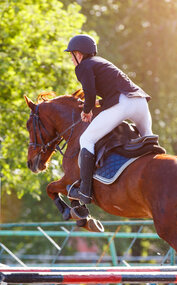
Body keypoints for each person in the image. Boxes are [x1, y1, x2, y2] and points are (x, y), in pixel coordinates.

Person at [64, 34, 155, 204]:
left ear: (79, 54)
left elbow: (89, 93)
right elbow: (114, 89)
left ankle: (84, 191)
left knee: (87, 139)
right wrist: (100, 102)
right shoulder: (102, 62)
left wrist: (87, 110)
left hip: (123, 104)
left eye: (72, 55)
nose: (71, 59)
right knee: (148, 140)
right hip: (140, 102)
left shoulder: (83, 67)